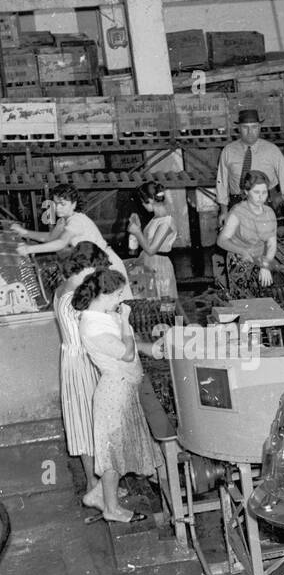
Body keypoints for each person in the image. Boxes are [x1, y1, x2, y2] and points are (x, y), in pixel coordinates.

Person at [75, 268, 156, 524]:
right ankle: (111, 508)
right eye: (119, 293)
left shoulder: (102, 314)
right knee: (112, 456)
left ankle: (97, 494)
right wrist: (125, 321)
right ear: (105, 294)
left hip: (123, 389)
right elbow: (127, 353)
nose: (122, 298)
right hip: (113, 395)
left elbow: (131, 345)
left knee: (119, 450)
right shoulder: (92, 326)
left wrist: (150, 348)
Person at [53, 243, 112, 511]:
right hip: (82, 363)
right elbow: (91, 335)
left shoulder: (63, 288)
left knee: (83, 423)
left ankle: (97, 484)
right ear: (86, 266)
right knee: (88, 426)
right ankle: (93, 487)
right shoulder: (74, 298)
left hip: (72, 360)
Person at [8, 182, 128, 280]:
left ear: (73, 204)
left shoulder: (76, 220)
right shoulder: (63, 220)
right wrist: (24, 232)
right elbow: (50, 237)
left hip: (109, 267)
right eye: (55, 204)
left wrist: (29, 249)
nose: (57, 208)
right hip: (95, 265)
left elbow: (61, 242)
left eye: (62, 204)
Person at [214, 108, 284, 220]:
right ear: (239, 128)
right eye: (245, 127)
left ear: (259, 128)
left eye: (254, 127)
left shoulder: (272, 150)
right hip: (237, 205)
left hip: (266, 204)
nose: (250, 132)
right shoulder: (228, 151)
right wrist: (223, 211)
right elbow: (221, 181)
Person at [215, 170, 277, 301]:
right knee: (244, 302)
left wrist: (266, 265)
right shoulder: (238, 212)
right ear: (247, 192)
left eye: (264, 192)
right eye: (256, 192)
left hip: (260, 260)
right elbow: (222, 240)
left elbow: (272, 243)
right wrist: (242, 251)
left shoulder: (269, 213)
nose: (261, 197)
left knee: (262, 300)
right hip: (239, 261)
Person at [125, 180, 178, 302]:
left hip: (160, 267)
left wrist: (137, 232)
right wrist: (137, 227)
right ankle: (164, 321)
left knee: (167, 306)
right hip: (150, 264)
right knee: (152, 305)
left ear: (150, 200)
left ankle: (178, 322)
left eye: (142, 202)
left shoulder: (166, 222)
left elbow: (151, 250)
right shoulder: (155, 219)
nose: (142, 205)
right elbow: (146, 244)